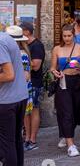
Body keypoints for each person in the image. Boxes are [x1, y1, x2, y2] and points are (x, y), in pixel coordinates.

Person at [51, 24, 80, 157]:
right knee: (66, 112)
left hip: (77, 81)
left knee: (76, 111)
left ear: (74, 35)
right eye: (64, 36)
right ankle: (71, 145)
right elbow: (52, 68)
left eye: (69, 35)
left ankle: (65, 134)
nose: (67, 38)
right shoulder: (57, 49)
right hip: (63, 81)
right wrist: (55, 73)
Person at [0, 29, 29, 166]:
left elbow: (9, 74)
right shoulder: (6, 38)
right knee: (15, 140)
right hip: (19, 97)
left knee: (8, 144)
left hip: (7, 101)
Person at [20, 22, 45, 151]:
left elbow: (36, 66)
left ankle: (32, 139)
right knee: (26, 112)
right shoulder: (26, 46)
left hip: (35, 83)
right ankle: (27, 138)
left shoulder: (37, 46)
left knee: (34, 110)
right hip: (26, 84)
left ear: (27, 32)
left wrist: (22, 63)